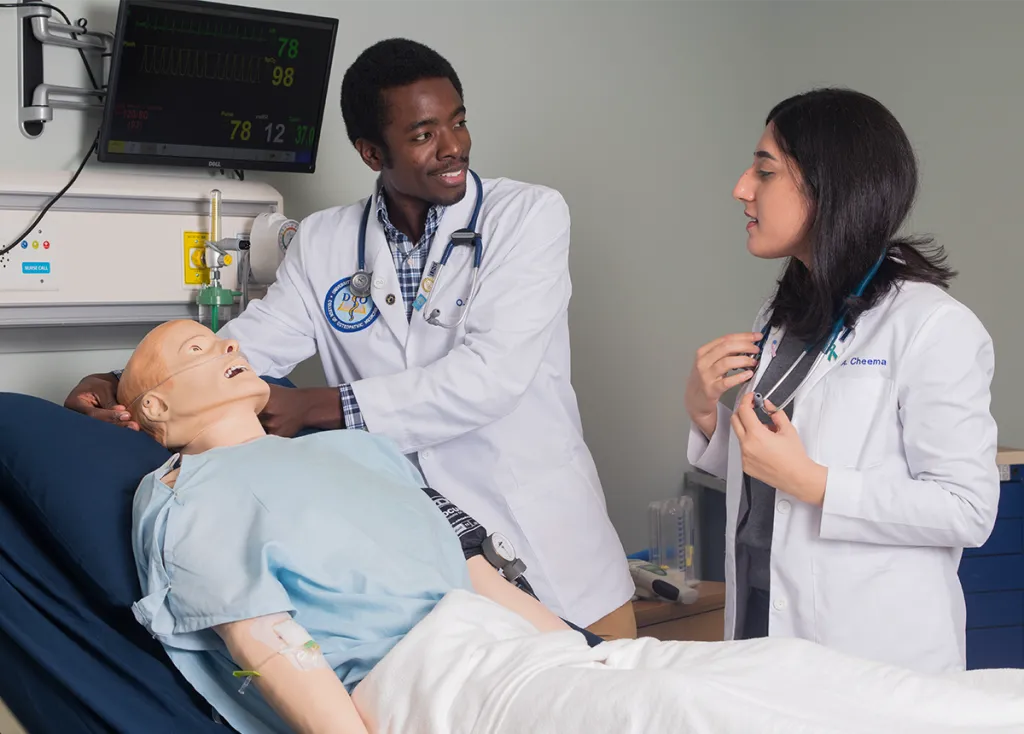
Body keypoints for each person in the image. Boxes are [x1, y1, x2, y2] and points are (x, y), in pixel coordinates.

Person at [126, 319, 1024, 734]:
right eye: (197, 349)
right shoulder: (184, 495)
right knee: (697, 711)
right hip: (425, 680)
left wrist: (584, 650)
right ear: (157, 405)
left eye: (222, 336)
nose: (230, 343)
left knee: (783, 672)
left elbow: (469, 572)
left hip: (518, 649)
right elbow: (265, 637)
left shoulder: (353, 450)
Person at [63, 38, 635, 638]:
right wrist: (119, 386)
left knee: (620, 702)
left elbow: (491, 378)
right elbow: (245, 347)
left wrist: (318, 407)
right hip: (420, 554)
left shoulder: (527, 216)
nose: (454, 147)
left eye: (458, 122)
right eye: (423, 134)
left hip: (549, 540)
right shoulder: (324, 241)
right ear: (370, 152)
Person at [683, 87, 999, 674]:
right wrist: (708, 418)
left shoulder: (931, 326)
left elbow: (967, 509)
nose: (742, 188)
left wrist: (816, 483)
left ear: (829, 185)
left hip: (868, 651)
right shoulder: (781, 317)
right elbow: (769, 469)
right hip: (759, 619)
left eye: (764, 170)